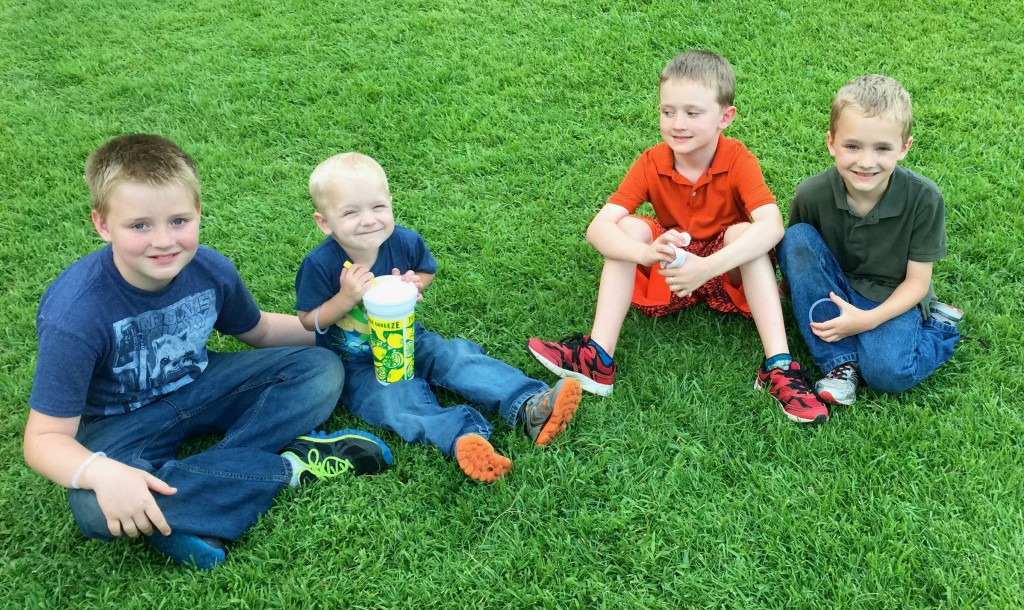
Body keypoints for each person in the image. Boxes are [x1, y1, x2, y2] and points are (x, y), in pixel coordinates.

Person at [23, 134, 393, 571]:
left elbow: (260, 331)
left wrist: (345, 328)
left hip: (202, 383)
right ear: (103, 225)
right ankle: (290, 468)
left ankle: (197, 491)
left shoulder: (210, 269)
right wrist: (103, 474)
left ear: (198, 213)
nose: (164, 240)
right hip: (119, 423)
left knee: (319, 368)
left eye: (178, 220)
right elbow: (44, 440)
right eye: (139, 225)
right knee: (92, 507)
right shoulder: (76, 314)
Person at [527, 50, 829, 424]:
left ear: (725, 117)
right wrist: (646, 252)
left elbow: (772, 226)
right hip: (672, 269)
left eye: (692, 113)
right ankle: (598, 358)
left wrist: (708, 267)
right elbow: (598, 229)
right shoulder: (652, 160)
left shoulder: (737, 159)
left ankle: (779, 367)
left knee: (744, 233)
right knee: (631, 227)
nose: (677, 124)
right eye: (667, 111)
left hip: (724, 273)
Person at [295, 152, 582, 483]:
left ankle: (531, 403)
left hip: (411, 338)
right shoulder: (321, 264)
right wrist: (345, 298)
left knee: (456, 357)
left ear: (389, 202)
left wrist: (414, 283)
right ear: (325, 223)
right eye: (350, 212)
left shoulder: (402, 241)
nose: (368, 220)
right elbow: (307, 319)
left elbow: (425, 272)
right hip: (358, 365)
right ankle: (463, 438)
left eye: (377, 207)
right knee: (393, 400)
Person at [777, 75, 961, 406]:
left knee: (888, 374)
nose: (865, 162)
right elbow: (799, 253)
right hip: (836, 285)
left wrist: (868, 320)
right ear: (831, 142)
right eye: (852, 146)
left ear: (904, 148)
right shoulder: (811, 194)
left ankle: (940, 328)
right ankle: (841, 366)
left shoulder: (924, 198)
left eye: (882, 148)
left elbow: (917, 282)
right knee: (796, 235)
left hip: (892, 296)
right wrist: (783, 294)